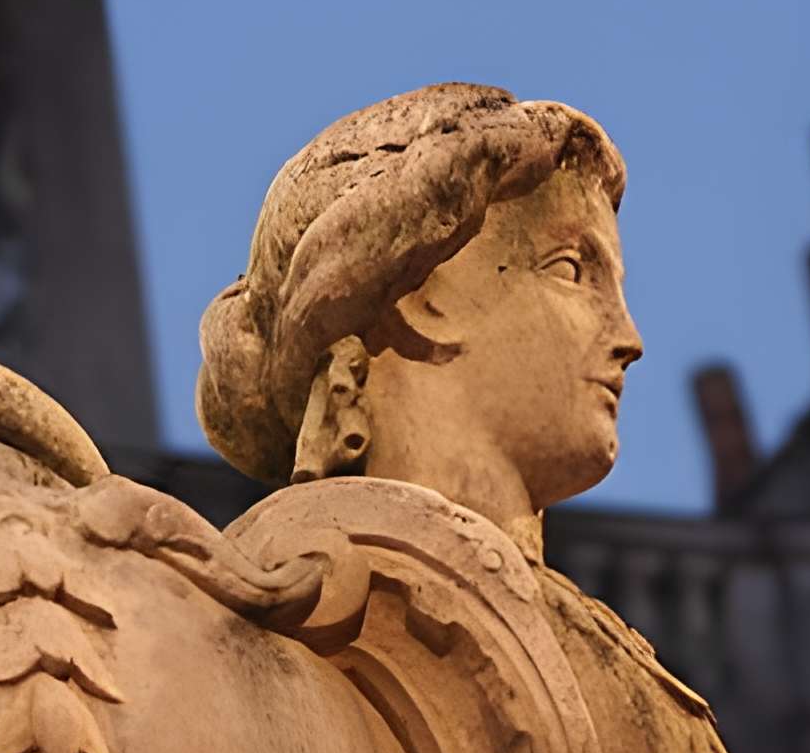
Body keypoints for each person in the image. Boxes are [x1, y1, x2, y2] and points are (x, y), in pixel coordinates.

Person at [197, 83, 641, 560]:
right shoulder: (286, 619)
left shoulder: (574, 628)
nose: (629, 339)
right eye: (570, 271)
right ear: (422, 295)